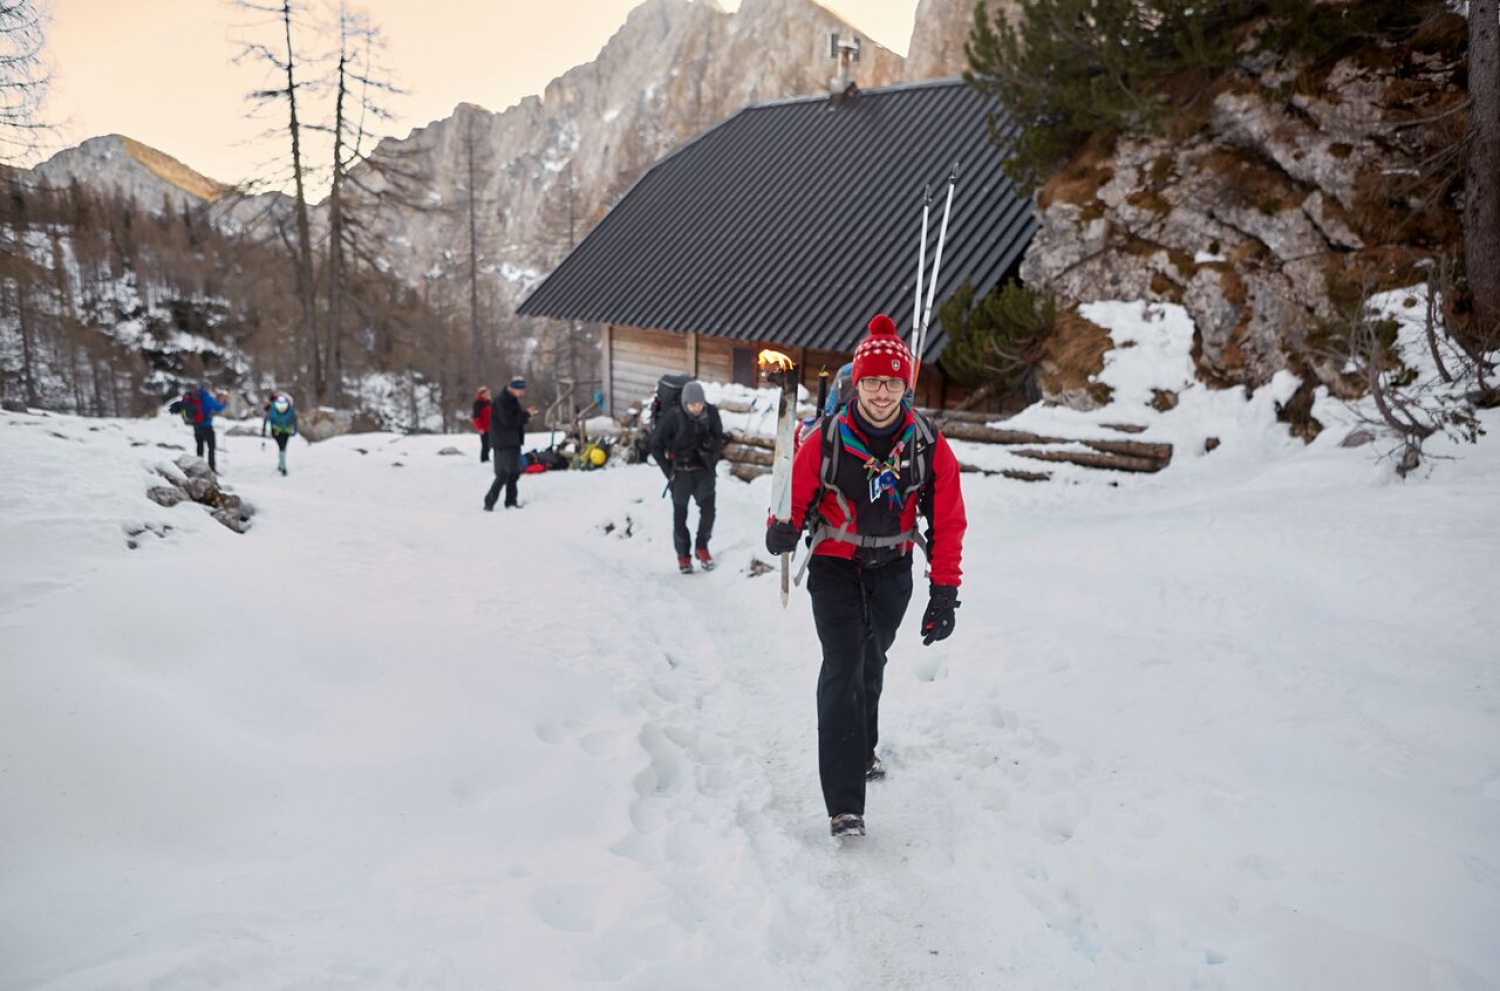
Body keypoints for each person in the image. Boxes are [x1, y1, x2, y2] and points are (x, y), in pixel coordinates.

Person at [765, 313, 968, 838]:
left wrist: (944, 589)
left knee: (871, 660)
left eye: (893, 382)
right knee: (844, 663)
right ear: (857, 383)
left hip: (893, 569)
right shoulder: (828, 439)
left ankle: (866, 748)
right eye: (874, 381)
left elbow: (948, 518)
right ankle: (844, 804)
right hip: (834, 564)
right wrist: (779, 530)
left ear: (906, 385)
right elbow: (792, 498)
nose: (882, 392)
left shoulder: (925, 444)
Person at [649, 380, 725, 573]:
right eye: (692, 405)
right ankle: (683, 556)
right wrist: (669, 472)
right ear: (684, 403)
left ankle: (702, 547)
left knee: (709, 512)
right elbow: (655, 445)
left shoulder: (711, 413)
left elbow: (719, 439)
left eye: (699, 404)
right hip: (680, 473)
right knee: (680, 517)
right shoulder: (672, 416)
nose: (696, 408)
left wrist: (711, 458)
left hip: (704, 472)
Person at [484, 377, 537, 511]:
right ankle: (489, 501)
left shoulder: (512, 400)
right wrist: (526, 415)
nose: (523, 393)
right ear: (513, 388)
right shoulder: (501, 400)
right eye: (521, 390)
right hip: (503, 442)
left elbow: (515, 419)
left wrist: (526, 415)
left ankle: (511, 502)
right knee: (503, 473)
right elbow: (507, 421)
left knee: (514, 473)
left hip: (513, 441)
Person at [189, 383, 227, 474]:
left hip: (196, 426)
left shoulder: (194, 397)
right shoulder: (207, 398)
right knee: (211, 447)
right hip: (206, 426)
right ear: (206, 388)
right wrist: (225, 402)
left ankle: (199, 467)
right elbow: (217, 407)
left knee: (199, 447)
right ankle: (211, 468)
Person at [261, 393, 298, 476]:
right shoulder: (289, 407)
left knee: (281, 447)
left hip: (276, 431)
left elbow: (266, 418)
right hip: (287, 431)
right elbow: (294, 418)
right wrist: (295, 430)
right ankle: (281, 465)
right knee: (283, 448)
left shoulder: (272, 407)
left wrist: (263, 432)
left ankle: (282, 467)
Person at [472, 386, 493, 463]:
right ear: (482, 394)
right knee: (485, 444)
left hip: (490, 426)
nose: (488, 394)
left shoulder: (488, 402)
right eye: (486, 393)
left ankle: (486, 458)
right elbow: (476, 417)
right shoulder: (478, 403)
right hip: (483, 427)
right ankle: (484, 459)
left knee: (490, 443)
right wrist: (479, 428)